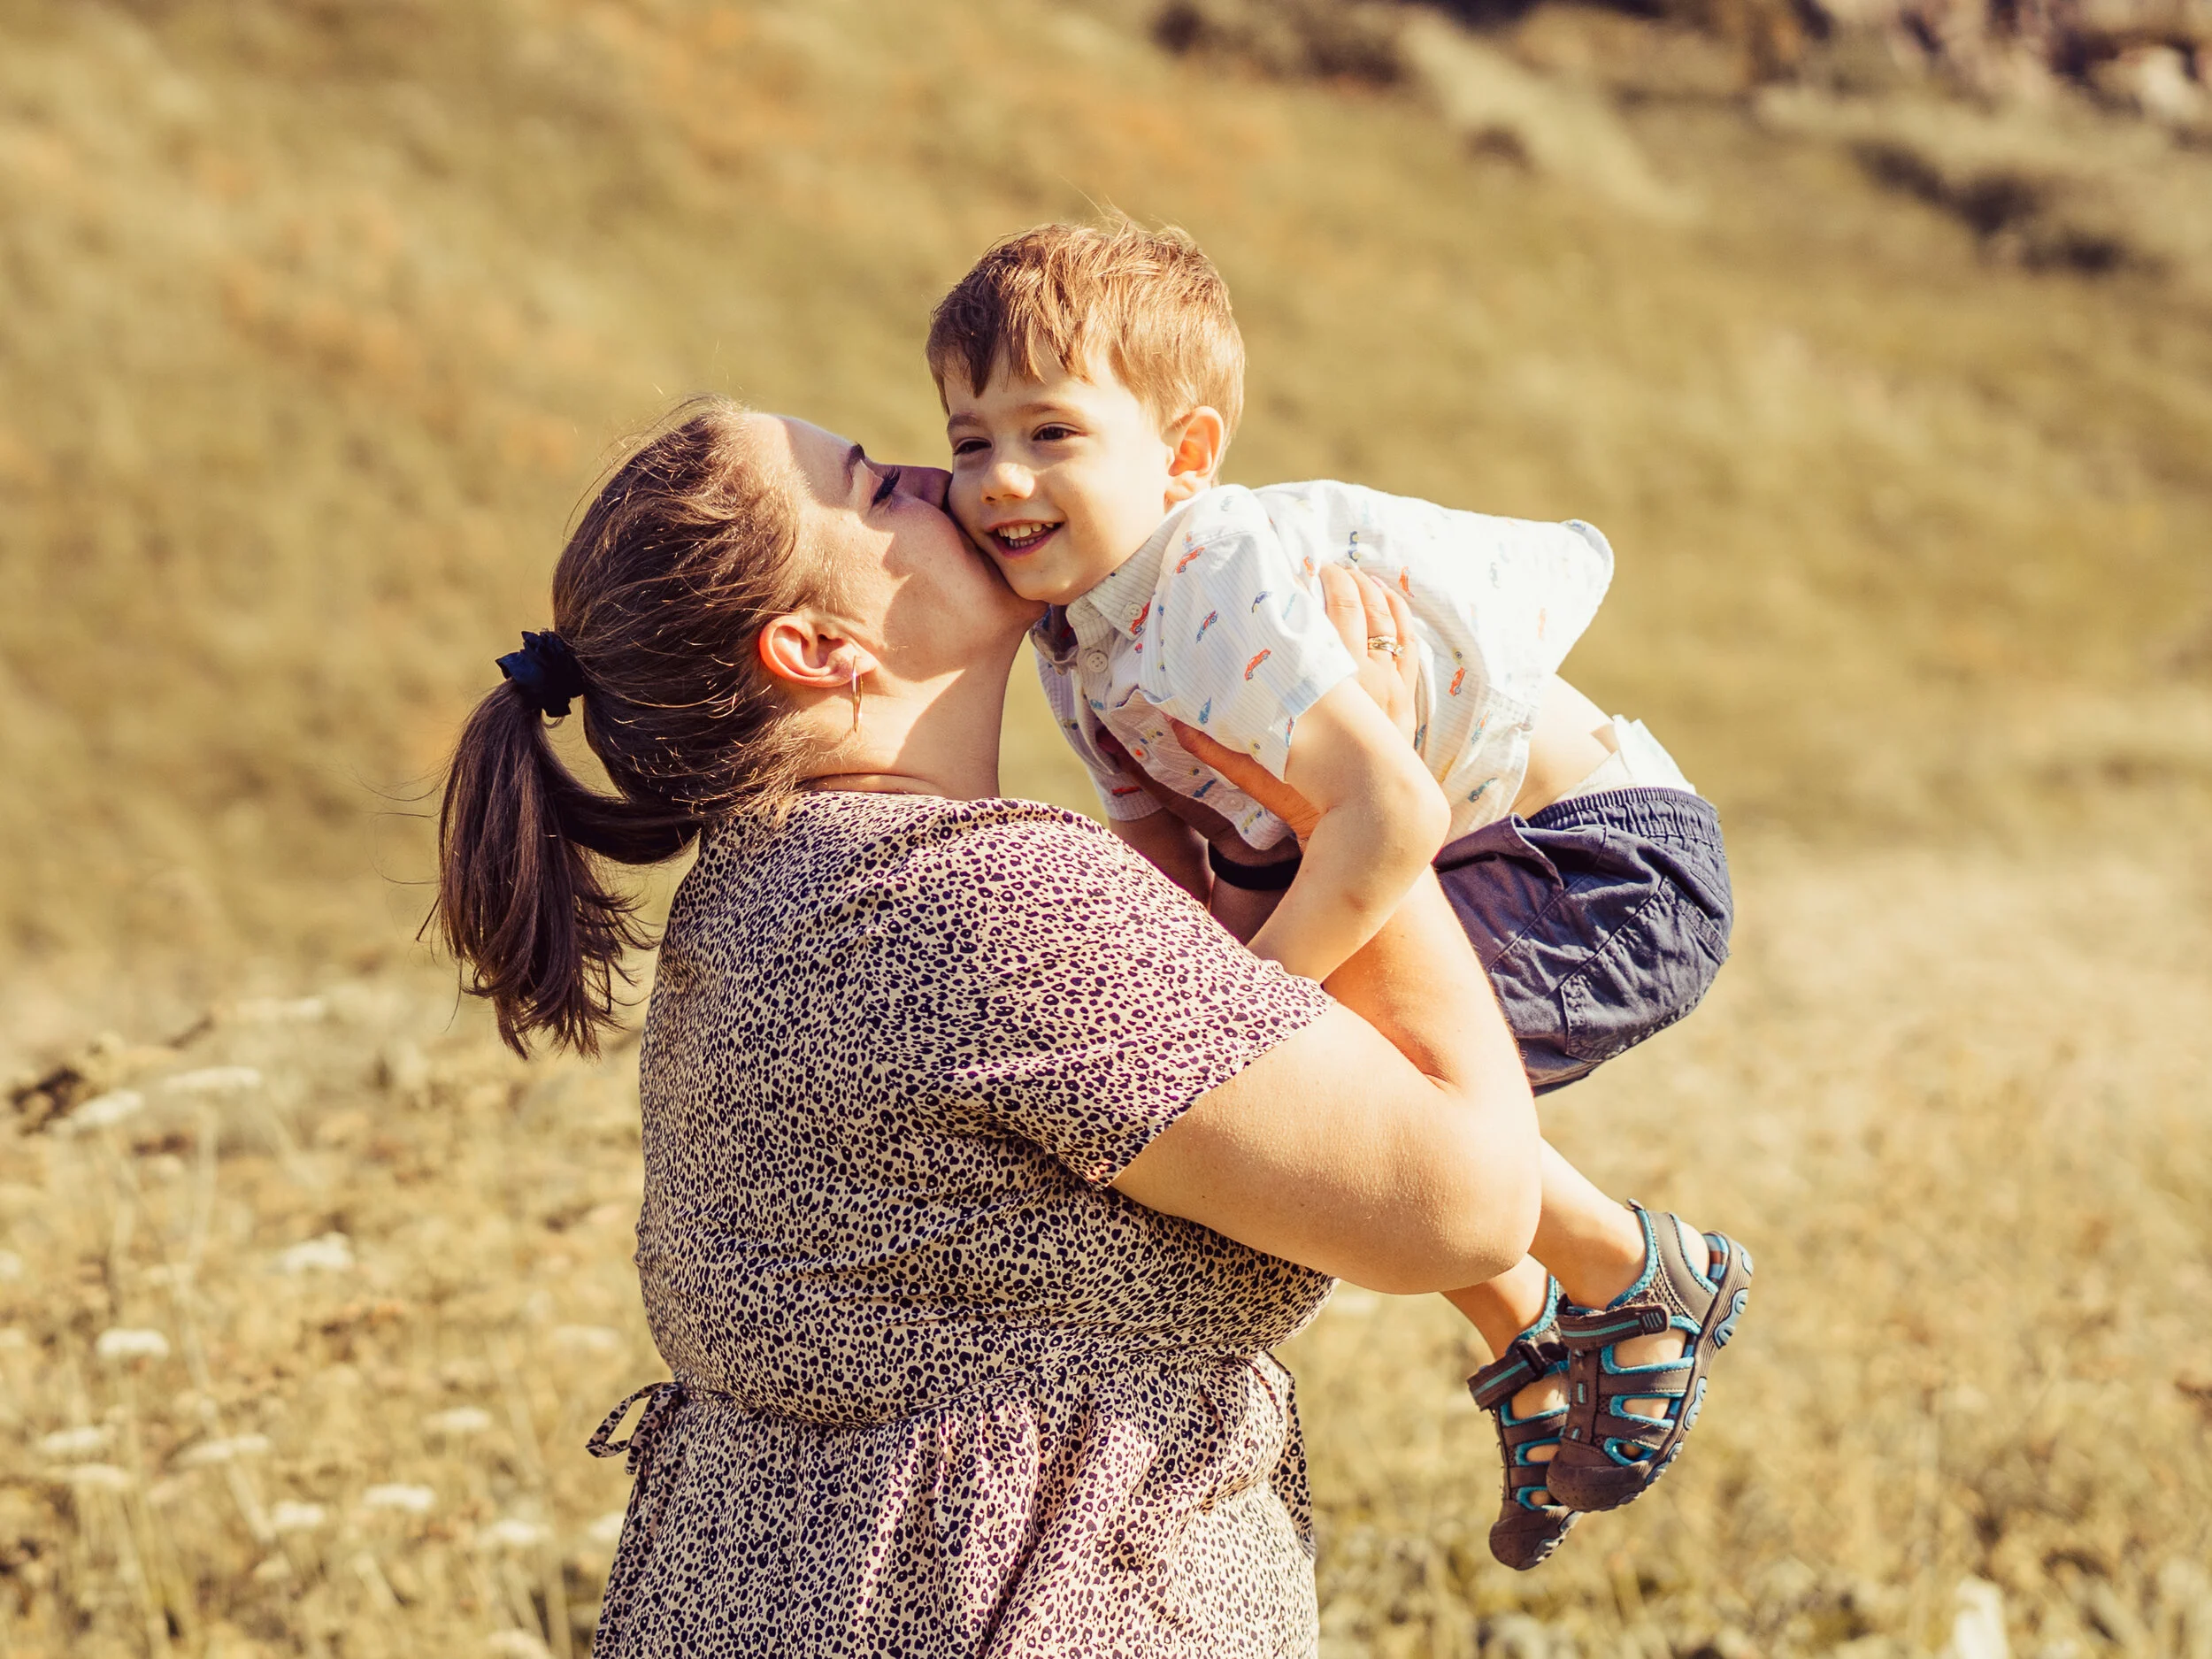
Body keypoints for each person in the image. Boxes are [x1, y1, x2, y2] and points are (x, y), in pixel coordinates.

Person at [434, 396, 1546, 1655]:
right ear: (814, 646)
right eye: (873, 489)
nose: (936, 476)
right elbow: (1471, 1202)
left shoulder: (754, 896)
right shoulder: (984, 900)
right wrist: (1374, 779)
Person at [926, 220, 1752, 1568]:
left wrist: (1247, 1023)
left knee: (1358, 1078)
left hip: (1604, 863)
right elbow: (1170, 881)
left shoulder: (1210, 589)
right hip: (1492, 855)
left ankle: (1627, 1272)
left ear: (1185, 457)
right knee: (1333, 1069)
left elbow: (1392, 817)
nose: (1000, 477)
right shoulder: (1076, 642)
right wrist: (1190, 1002)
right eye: (969, 440)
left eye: (1050, 433)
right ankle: (1536, 1325)